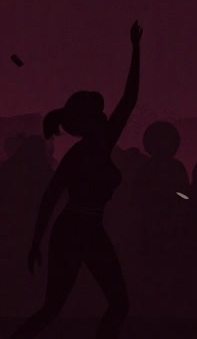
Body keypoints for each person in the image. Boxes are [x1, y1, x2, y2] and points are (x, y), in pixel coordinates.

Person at [9, 21, 142, 339]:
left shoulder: (99, 144)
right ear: (88, 123)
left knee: (115, 304)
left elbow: (129, 100)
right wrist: (36, 241)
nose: (106, 117)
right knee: (55, 308)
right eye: (98, 115)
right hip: (74, 231)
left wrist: (136, 50)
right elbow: (50, 197)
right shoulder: (81, 155)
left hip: (86, 229)